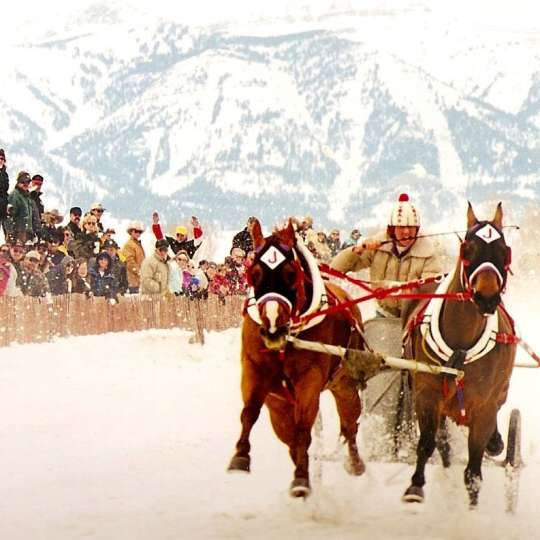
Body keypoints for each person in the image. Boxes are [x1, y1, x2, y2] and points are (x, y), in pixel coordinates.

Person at [331, 193, 445, 318]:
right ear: (392, 229)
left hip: (415, 318)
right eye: (401, 227)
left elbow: (431, 289)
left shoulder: (429, 252)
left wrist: (398, 288)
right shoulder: (377, 245)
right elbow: (335, 268)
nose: (406, 231)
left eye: (411, 227)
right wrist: (358, 249)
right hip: (383, 315)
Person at [6, 171, 35, 243]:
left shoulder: (27, 198)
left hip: (26, 235)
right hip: (18, 234)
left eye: (28, 182)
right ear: (18, 182)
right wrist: (11, 234)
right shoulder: (14, 196)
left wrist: (31, 232)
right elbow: (8, 216)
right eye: (23, 181)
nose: (26, 184)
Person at [121, 221, 146, 294]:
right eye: (136, 231)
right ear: (131, 232)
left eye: (140, 232)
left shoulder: (137, 244)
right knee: (134, 302)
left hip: (138, 280)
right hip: (133, 280)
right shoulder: (128, 245)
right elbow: (130, 262)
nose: (138, 233)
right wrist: (139, 272)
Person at [0, 149, 9, 239]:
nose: (0, 160)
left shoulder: (4, 174)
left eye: (2, 158)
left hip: (3, 207)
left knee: (7, 231)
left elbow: (5, 190)